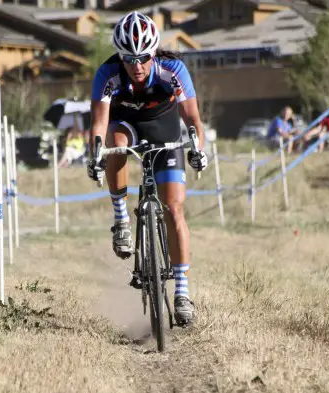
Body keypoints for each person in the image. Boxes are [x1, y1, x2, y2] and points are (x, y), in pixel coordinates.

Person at [86, 11, 208, 326]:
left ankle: (181, 293)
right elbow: (99, 122)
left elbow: (193, 119)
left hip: (164, 130)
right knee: (115, 140)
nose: (136, 66)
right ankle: (121, 220)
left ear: (153, 53)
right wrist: (95, 155)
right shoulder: (108, 73)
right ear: (120, 57)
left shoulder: (173, 70)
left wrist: (198, 149)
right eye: (129, 59)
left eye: (142, 58)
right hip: (126, 125)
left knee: (174, 210)